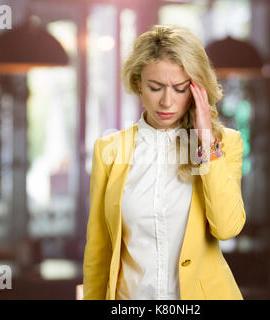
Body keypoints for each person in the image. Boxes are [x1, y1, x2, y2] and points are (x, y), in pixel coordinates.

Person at [82, 24, 246, 300]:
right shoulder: (109, 150)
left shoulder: (224, 144)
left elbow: (227, 227)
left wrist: (205, 141)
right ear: (138, 84)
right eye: (156, 87)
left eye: (180, 89)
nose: (167, 101)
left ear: (197, 91)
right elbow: (98, 251)